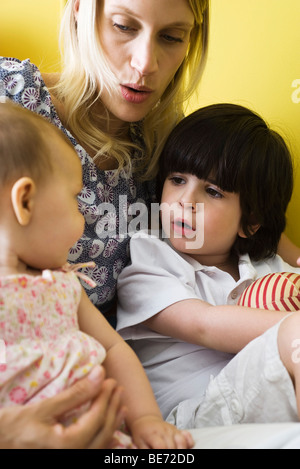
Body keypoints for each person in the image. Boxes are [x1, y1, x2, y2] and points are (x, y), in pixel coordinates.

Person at [0, 101, 193, 449]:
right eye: (75, 200)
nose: (84, 220)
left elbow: (114, 348)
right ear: (25, 201)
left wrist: (145, 418)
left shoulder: (63, 283)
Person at [0, 0, 210, 320]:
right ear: (81, 9)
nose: (145, 65)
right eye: (124, 26)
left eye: (171, 37)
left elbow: (242, 205)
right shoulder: (11, 96)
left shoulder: (167, 146)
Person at [117, 103, 300, 429]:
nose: (185, 201)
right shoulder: (150, 261)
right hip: (199, 415)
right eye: (177, 179)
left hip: (266, 404)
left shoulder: (269, 265)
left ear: (251, 221)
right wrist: (290, 325)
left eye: (213, 191)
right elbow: (204, 324)